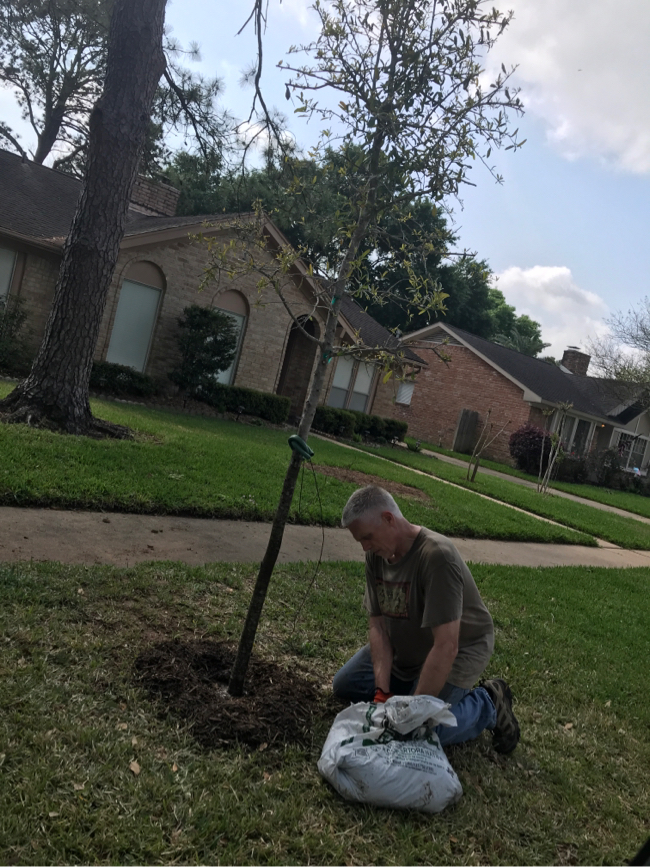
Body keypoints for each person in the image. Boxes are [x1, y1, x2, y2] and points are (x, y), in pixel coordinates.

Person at [333, 484, 520, 754]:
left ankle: (488, 702)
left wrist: (414, 712)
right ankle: (408, 688)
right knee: (345, 685)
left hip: (459, 649)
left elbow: (447, 646)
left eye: (368, 537)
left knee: (418, 731)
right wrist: (382, 692)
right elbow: (379, 627)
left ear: (389, 518)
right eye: (360, 541)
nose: (364, 547)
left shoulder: (437, 556)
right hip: (410, 646)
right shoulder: (376, 556)